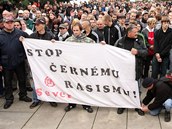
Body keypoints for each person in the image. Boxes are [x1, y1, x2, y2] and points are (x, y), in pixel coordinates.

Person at [0, 15, 32, 109]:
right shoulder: (0, 35)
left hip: (19, 61)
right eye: (7, 23)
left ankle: (23, 95)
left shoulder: (21, 33)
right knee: (7, 82)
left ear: (14, 23)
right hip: (6, 63)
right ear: (3, 24)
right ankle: (9, 99)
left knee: (22, 79)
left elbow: (31, 42)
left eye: (11, 23)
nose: (9, 24)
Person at [115, 24, 148, 116]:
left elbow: (146, 52)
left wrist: (138, 52)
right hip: (124, 70)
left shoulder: (140, 41)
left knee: (136, 88)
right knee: (123, 88)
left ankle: (137, 105)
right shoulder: (120, 41)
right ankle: (122, 105)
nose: (137, 33)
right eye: (135, 32)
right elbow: (113, 52)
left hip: (136, 70)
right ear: (129, 33)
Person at [65, 22, 95, 113]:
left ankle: (86, 104)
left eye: (77, 30)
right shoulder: (68, 41)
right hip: (72, 69)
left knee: (84, 86)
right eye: (73, 30)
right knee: (72, 86)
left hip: (83, 68)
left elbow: (96, 50)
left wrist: (102, 45)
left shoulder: (88, 41)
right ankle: (71, 103)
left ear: (81, 30)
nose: (75, 32)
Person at [29, 17, 57, 109]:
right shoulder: (32, 36)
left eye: (38, 24)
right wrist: (23, 41)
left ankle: (51, 99)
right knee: (35, 82)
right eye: (35, 25)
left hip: (47, 64)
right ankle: (36, 99)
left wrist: (54, 43)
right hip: (36, 64)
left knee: (50, 81)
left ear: (43, 25)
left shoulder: (50, 36)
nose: (36, 26)